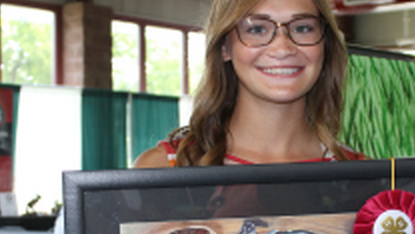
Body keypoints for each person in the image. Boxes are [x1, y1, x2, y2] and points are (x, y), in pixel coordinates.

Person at [133, 0, 363, 169]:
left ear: (325, 44)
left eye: (302, 28)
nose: (283, 49)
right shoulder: (164, 168)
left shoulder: (366, 177)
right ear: (224, 47)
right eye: (257, 29)